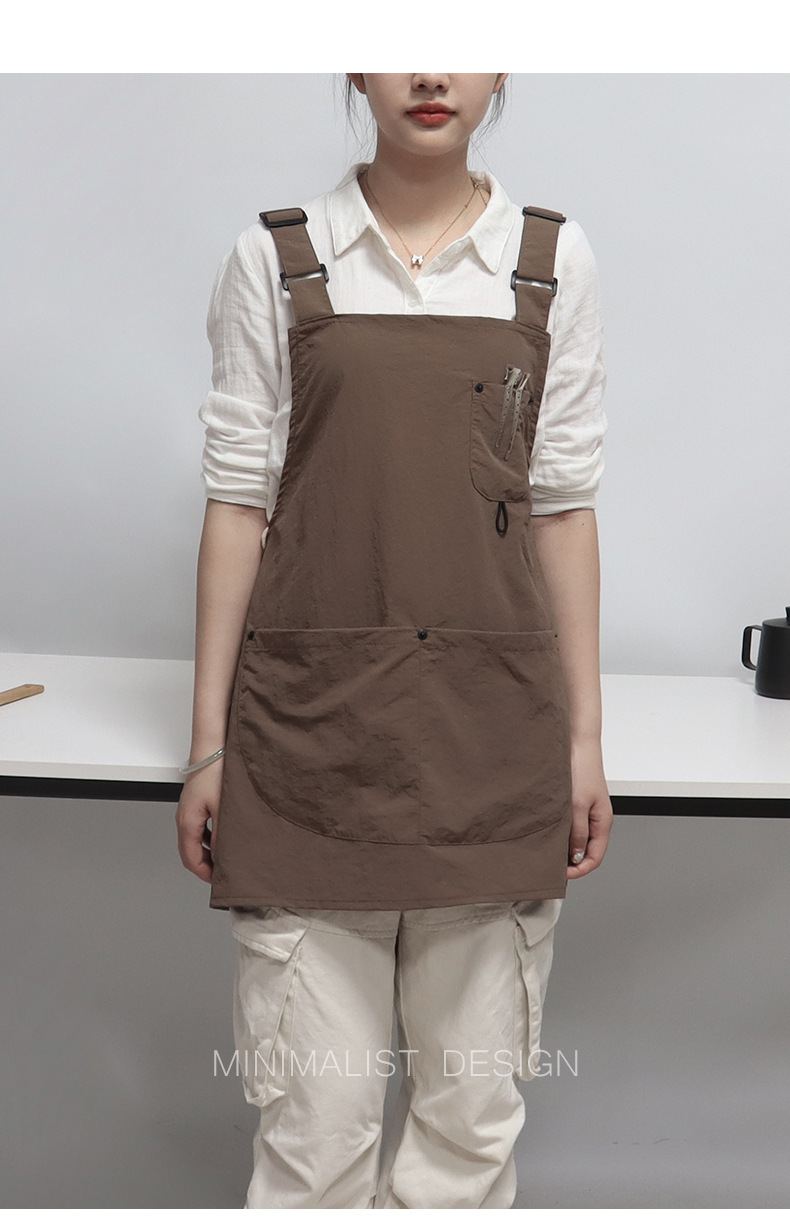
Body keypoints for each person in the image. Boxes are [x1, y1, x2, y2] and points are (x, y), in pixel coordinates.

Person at [175, 73, 614, 1210]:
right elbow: (238, 502)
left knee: (467, 1140)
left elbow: (562, 509)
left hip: (493, 749)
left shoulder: (550, 262)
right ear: (355, 66)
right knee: (313, 1140)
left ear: (502, 69)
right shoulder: (275, 258)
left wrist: (581, 745)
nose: (430, 73)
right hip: (308, 751)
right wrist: (209, 748)